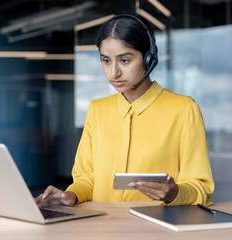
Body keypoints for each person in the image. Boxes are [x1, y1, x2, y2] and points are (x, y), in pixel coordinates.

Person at [35, 14, 214, 207]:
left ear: (149, 59)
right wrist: (71, 195)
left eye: (125, 60)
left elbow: (199, 187)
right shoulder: (97, 110)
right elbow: (86, 179)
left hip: (156, 229)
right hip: (102, 227)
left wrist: (175, 193)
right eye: (106, 61)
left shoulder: (184, 110)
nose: (114, 73)